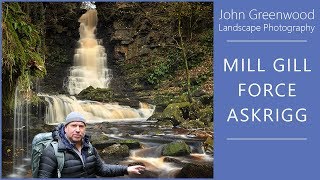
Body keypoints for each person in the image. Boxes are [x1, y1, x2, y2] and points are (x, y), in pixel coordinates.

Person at [38, 112, 145, 178]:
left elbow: (102, 169)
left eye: (81, 126)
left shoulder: (89, 148)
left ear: (85, 128)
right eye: (73, 125)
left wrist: (126, 169)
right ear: (65, 128)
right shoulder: (52, 151)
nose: (77, 130)